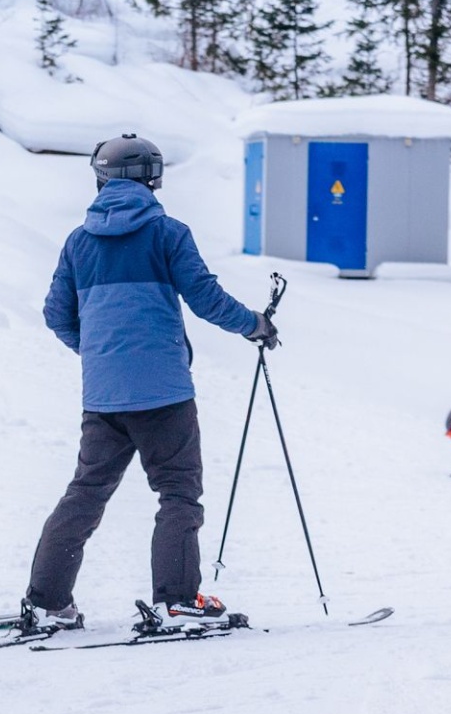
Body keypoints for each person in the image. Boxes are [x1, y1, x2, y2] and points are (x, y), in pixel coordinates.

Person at [26, 133, 277, 633]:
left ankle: (47, 601)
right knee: (178, 493)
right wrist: (256, 324)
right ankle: (177, 601)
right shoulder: (167, 233)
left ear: (100, 176)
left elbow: (57, 315)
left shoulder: (79, 241)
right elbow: (205, 299)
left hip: (103, 397)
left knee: (86, 494)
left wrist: (99, 353)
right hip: (164, 394)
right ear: (152, 179)